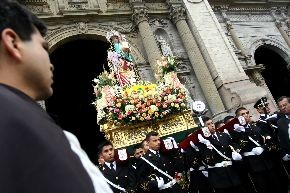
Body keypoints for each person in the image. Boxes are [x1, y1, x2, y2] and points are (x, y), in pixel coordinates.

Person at [0, 1, 98, 192]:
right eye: (44, 47)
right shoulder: (12, 117)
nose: (51, 64)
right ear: (13, 43)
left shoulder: (23, 112)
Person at [232, 107, 285, 193]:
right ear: (238, 118)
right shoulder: (236, 132)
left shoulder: (256, 126)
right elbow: (241, 146)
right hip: (254, 165)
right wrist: (243, 132)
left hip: (267, 160)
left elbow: (269, 140)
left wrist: (263, 147)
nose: (246, 115)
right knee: (263, 188)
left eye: (247, 113)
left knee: (278, 185)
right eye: (242, 114)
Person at [197, 116, 244, 193]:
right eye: (208, 124)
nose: (212, 125)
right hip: (219, 176)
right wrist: (208, 146)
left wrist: (236, 151)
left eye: (212, 123)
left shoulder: (223, 135)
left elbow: (233, 144)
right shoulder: (202, 142)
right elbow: (208, 161)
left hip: (232, 172)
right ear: (203, 128)